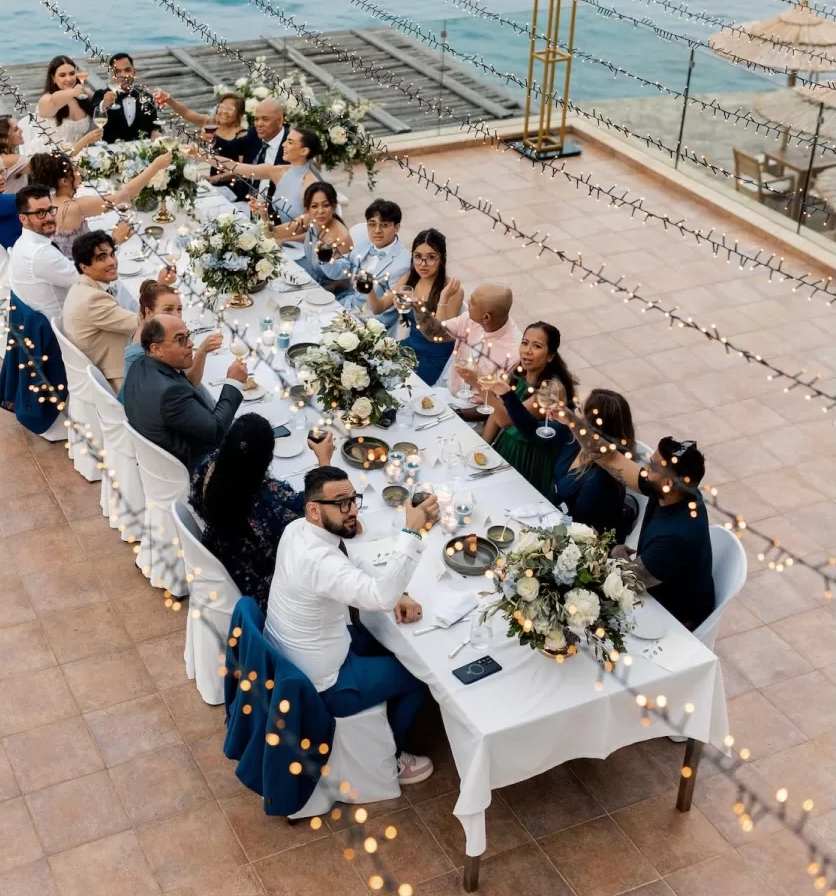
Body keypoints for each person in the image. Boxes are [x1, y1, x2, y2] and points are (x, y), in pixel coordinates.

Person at [265, 466, 438, 784]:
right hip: (325, 684)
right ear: (314, 510)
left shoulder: (297, 531)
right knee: (419, 673)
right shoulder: (319, 562)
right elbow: (379, 598)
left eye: (354, 500)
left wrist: (397, 593)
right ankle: (393, 758)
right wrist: (411, 532)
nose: (352, 510)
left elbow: (349, 564)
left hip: (295, 655)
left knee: (389, 642)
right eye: (341, 504)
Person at [191, 416, 336, 611]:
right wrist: (324, 462)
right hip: (267, 594)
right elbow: (315, 511)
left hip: (229, 564)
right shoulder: (264, 504)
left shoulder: (208, 466)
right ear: (265, 459)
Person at [494, 384, 638, 539]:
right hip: (552, 518)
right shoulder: (575, 438)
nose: (573, 411)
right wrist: (507, 394)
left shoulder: (600, 480)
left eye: (579, 410)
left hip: (577, 541)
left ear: (592, 426)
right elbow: (532, 430)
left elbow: (581, 530)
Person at [601, 437, 715, 630]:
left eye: (652, 465)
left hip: (673, 618)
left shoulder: (676, 537)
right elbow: (612, 460)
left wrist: (617, 554)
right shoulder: (678, 493)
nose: (645, 469)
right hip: (657, 586)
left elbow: (630, 580)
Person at [124, 314, 248, 474]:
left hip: (153, 462)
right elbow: (216, 431)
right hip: (192, 469)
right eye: (180, 339)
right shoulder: (170, 394)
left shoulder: (140, 365)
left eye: (188, 337)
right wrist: (233, 383)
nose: (190, 344)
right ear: (156, 349)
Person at [480, 322, 577, 500]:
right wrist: (483, 447)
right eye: (525, 343)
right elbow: (497, 412)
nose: (527, 350)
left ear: (550, 356)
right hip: (506, 446)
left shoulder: (551, 389)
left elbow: (508, 419)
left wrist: (477, 385)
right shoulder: (519, 372)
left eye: (537, 346)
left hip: (530, 459)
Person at [28, 149, 170, 260]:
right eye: (75, 170)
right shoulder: (75, 207)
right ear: (64, 181)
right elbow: (125, 195)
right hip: (81, 272)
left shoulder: (49, 201)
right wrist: (156, 166)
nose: (79, 172)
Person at [368, 229, 463, 385]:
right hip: (410, 347)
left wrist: (419, 304)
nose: (423, 264)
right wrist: (368, 288)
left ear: (442, 259)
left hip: (433, 358)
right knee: (370, 369)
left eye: (431, 258)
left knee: (396, 386)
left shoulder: (452, 289)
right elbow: (379, 308)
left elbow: (438, 336)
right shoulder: (410, 277)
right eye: (418, 257)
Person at [118, 278, 223, 405]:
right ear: (148, 312)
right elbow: (191, 383)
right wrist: (202, 352)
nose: (176, 316)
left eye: (179, 310)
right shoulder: (147, 353)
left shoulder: (145, 329)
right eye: (168, 309)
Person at [62, 231, 142, 391]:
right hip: (118, 374)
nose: (112, 262)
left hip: (103, 358)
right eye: (102, 258)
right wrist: (161, 288)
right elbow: (143, 324)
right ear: (84, 267)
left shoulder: (82, 287)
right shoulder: (93, 300)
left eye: (112, 254)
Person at [216, 125, 323, 230]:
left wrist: (274, 237)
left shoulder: (311, 185)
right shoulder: (279, 171)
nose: (283, 145)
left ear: (303, 151)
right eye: (285, 140)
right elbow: (236, 167)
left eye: (290, 142)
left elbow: (314, 232)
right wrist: (202, 155)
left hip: (300, 244)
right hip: (279, 235)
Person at [152, 88, 258, 185]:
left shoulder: (242, 135)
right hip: (211, 180)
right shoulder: (212, 124)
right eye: (221, 107)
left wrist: (219, 177)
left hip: (232, 186)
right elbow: (186, 112)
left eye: (230, 109)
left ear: (239, 114)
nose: (224, 111)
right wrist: (170, 100)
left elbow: (243, 170)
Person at [442, 285, 521, 414]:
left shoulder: (513, 354)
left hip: (473, 413)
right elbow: (437, 334)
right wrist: (441, 300)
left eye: (472, 302)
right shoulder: (470, 318)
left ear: (486, 318)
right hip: (448, 395)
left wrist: (457, 414)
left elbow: (498, 408)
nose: (467, 302)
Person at [7, 184, 80, 319]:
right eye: (40, 213)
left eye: (50, 210)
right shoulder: (40, 253)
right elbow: (86, 278)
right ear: (23, 219)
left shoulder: (22, 243)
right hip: (65, 323)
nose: (49, 218)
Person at [336, 199, 412, 326]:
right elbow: (339, 270)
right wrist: (325, 260)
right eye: (372, 224)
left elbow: (386, 316)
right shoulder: (363, 242)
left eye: (384, 225)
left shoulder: (403, 264)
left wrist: (355, 326)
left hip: (365, 324)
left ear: (397, 228)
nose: (377, 230)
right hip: (345, 304)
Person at [293, 181, 354, 286]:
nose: (320, 211)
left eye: (325, 205)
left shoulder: (342, 238)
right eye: (314, 206)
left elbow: (348, 277)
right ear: (307, 209)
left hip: (332, 290)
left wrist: (326, 289)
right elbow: (278, 231)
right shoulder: (312, 221)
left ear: (334, 206)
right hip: (311, 276)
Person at [35, 55, 104, 147]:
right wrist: (73, 92)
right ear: (53, 78)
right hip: (51, 154)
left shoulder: (84, 94)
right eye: (62, 75)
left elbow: (101, 103)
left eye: (72, 73)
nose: (69, 79)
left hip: (80, 155)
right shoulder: (46, 100)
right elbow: (54, 100)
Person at [99, 53, 162, 143]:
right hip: (111, 152)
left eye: (127, 70)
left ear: (134, 72)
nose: (123, 75)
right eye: (118, 71)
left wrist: (156, 131)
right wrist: (105, 104)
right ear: (111, 74)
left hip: (142, 151)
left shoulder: (146, 96)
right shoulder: (100, 94)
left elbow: (155, 123)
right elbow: (95, 110)